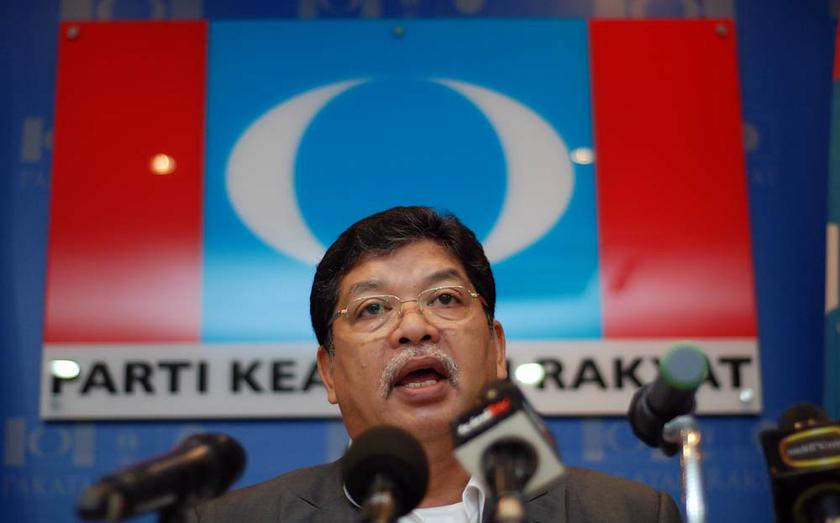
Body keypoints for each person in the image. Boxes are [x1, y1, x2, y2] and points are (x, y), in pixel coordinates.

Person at [187, 206, 683, 522]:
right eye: (373, 308)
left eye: (444, 298)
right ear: (330, 372)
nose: (414, 327)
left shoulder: (627, 513)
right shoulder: (238, 519)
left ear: (496, 350)